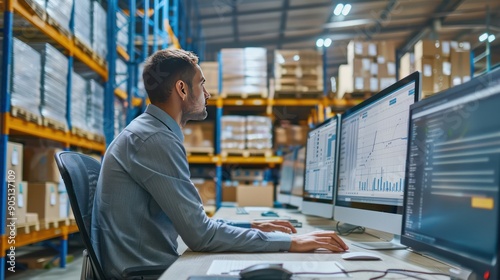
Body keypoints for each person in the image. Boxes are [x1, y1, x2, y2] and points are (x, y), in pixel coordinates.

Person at [91, 49, 348, 278]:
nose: (207, 93)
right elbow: (201, 236)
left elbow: (195, 225)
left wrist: (251, 226)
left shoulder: (150, 132)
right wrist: (288, 242)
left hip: (149, 264)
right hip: (148, 272)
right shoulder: (154, 139)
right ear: (182, 89)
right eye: (201, 84)